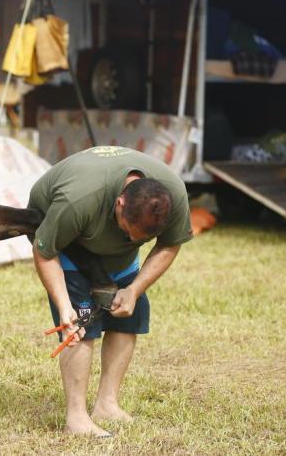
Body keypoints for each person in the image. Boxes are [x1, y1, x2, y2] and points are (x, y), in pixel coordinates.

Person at [28, 145, 193, 437]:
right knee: (80, 323)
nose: (132, 240)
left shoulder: (174, 195)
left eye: (140, 239)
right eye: (128, 231)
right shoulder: (78, 199)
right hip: (67, 241)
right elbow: (44, 251)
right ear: (119, 203)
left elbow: (170, 244)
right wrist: (65, 306)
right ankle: (76, 418)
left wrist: (134, 290)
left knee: (129, 314)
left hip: (111, 250)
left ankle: (107, 403)